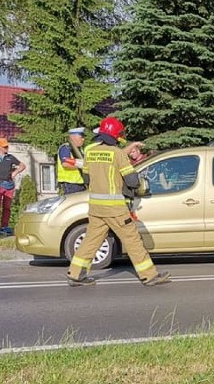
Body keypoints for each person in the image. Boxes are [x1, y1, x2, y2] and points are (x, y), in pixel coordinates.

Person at [66, 116, 170, 287]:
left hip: (95, 207)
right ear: (115, 135)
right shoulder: (117, 154)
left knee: (91, 240)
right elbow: (132, 181)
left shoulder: (90, 152)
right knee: (133, 240)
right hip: (115, 209)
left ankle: (75, 274)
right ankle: (149, 275)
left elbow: (86, 177)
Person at [0, 138, 26, 237]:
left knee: (7, 208)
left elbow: (22, 165)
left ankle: (4, 227)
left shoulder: (10, 157)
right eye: (4, 146)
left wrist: (15, 173)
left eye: (7, 146)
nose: (7, 148)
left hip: (9, 185)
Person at [57, 127, 87, 194]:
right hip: (70, 185)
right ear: (73, 137)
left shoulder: (80, 150)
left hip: (80, 183)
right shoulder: (66, 148)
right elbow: (65, 164)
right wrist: (82, 166)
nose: (83, 139)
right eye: (81, 137)